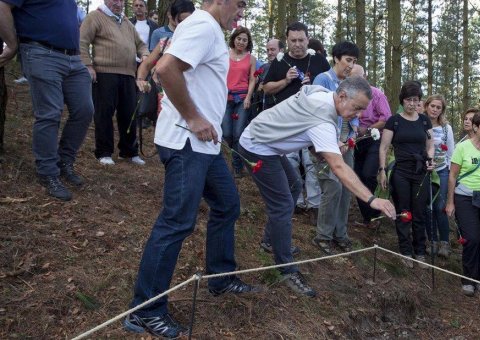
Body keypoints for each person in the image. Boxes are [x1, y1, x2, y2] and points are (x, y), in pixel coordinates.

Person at [124, 1, 255, 338]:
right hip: (187, 143)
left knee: (227, 204)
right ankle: (145, 310)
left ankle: (219, 277)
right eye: (240, 4)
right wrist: (195, 118)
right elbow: (165, 69)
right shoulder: (203, 25)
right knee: (176, 222)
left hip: (204, 146)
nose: (241, 13)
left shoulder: (206, 28)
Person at [238, 77, 396, 297]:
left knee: (294, 185)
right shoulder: (323, 117)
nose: (359, 115)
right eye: (357, 108)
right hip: (257, 146)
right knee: (283, 204)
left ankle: (270, 240)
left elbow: (303, 123)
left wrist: (318, 149)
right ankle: (286, 269)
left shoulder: (323, 93)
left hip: (267, 142)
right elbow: (339, 168)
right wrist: (372, 199)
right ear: (342, 96)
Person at [0, 0, 94, 201]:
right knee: (50, 113)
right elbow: (2, 6)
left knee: (85, 110)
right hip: (40, 52)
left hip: (73, 58)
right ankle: (48, 172)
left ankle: (64, 162)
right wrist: (12, 43)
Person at [259, 21, 329, 249]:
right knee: (289, 171)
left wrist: (314, 86)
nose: (297, 44)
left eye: (301, 40)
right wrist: (286, 80)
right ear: (286, 41)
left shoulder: (318, 60)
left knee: (311, 164)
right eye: (293, 40)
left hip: (311, 124)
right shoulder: (280, 62)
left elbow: (330, 90)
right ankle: (292, 206)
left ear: (308, 39)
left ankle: (314, 207)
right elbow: (266, 88)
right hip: (285, 125)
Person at [80, 0, 149, 166]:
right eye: (115, 0)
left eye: (121, 1)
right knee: (104, 113)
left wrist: (145, 56)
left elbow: (141, 44)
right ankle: (104, 152)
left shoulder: (125, 21)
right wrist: (88, 65)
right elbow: (82, 41)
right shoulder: (95, 17)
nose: (119, 3)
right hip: (104, 73)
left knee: (129, 113)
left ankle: (129, 151)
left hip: (128, 74)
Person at [445, 111, 480, 296]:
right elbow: (452, 176)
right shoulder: (462, 148)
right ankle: (468, 279)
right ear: (476, 127)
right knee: (472, 238)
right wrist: (450, 202)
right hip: (464, 198)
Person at [378, 81, 435, 266]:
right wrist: (382, 170)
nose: (412, 103)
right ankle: (405, 251)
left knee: (420, 212)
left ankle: (420, 251)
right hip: (401, 171)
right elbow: (384, 147)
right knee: (404, 212)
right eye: (409, 100)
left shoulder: (425, 121)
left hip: (421, 171)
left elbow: (430, 145)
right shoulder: (393, 121)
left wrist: (430, 159)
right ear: (402, 101)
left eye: (416, 100)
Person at [311, 40, 359, 255]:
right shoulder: (323, 79)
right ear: (336, 59)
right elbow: (317, 112)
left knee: (347, 187)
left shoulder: (351, 84)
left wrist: (353, 133)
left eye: (354, 61)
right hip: (325, 142)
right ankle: (323, 235)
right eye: (348, 60)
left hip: (345, 142)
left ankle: (341, 234)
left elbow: (355, 113)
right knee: (332, 186)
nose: (350, 65)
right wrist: (334, 140)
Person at [350, 64, 391, 227]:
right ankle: (368, 218)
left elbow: (386, 118)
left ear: (365, 77)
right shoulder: (348, 94)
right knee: (357, 177)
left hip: (374, 139)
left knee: (368, 174)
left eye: (358, 78)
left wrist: (368, 129)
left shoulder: (376, 94)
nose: (356, 81)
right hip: (355, 140)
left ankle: (375, 214)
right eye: (352, 79)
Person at [136, 0, 195, 93]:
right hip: (166, 92)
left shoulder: (198, 39)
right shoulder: (165, 41)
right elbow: (147, 64)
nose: (183, 24)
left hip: (192, 91)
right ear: (172, 17)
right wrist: (140, 80)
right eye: (180, 20)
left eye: (188, 20)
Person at [222, 26, 256, 177]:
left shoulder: (251, 59)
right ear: (234, 39)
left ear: (248, 43)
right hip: (225, 98)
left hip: (242, 99)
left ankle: (237, 167)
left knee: (238, 133)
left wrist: (248, 97)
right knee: (227, 133)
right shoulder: (224, 55)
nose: (241, 42)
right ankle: (227, 161)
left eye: (244, 40)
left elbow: (252, 79)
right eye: (239, 39)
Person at [423, 94, 454, 258]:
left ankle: (444, 242)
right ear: (427, 106)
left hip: (441, 170)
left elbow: (451, 152)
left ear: (442, 110)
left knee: (440, 207)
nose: (434, 110)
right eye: (432, 106)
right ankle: (431, 240)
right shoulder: (420, 123)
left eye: (438, 107)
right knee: (428, 206)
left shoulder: (446, 128)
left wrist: (449, 173)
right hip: (424, 171)